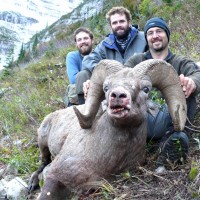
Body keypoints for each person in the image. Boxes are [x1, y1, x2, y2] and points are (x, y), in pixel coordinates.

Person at [124, 17, 200, 167]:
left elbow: (196, 73)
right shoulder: (135, 61)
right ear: (146, 38)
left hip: (167, 118)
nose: (155, 35)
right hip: (140, 116)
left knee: (184, 89)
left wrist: (192, 82)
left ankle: (171, 144)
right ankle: (127, 147)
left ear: (167, 34)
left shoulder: (180, 62)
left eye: (159, 31)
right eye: (150, 33)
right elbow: (121, 75)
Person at [75, 6, 148, 104]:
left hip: (137, 84)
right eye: (114, 23)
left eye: (121, 21)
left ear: (129, 22)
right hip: (113, 85)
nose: (118, 25)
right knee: (82, 75)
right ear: (110, 25)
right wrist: (106, 72)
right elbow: (88, 60)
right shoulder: (105, 44)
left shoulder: (144, 38)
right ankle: (86, 113)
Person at [65, 27, 94, 106]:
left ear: (92, 40)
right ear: (76, 43)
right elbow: (74, 79)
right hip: (80, 96)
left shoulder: (99, 54)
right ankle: (83, 110)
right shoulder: (72, 56)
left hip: (97, 90)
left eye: (85, 38)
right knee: (82, 76)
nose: (83, 42)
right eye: (79, 40)